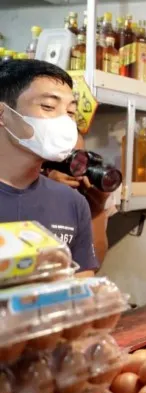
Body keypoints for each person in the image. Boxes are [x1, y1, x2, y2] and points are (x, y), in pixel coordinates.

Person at [0, 59, 98, 276]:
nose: (64, 122)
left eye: (70, 112)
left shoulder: (72, 202)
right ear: (3, 114)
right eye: (48, 107)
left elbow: (82, 284)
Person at [46, 134, 110, 264]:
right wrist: (46, 189)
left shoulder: (82, 199)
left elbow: (94, 262)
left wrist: (97, 210)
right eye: (69, 158)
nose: (77, 168)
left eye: (81, 160)